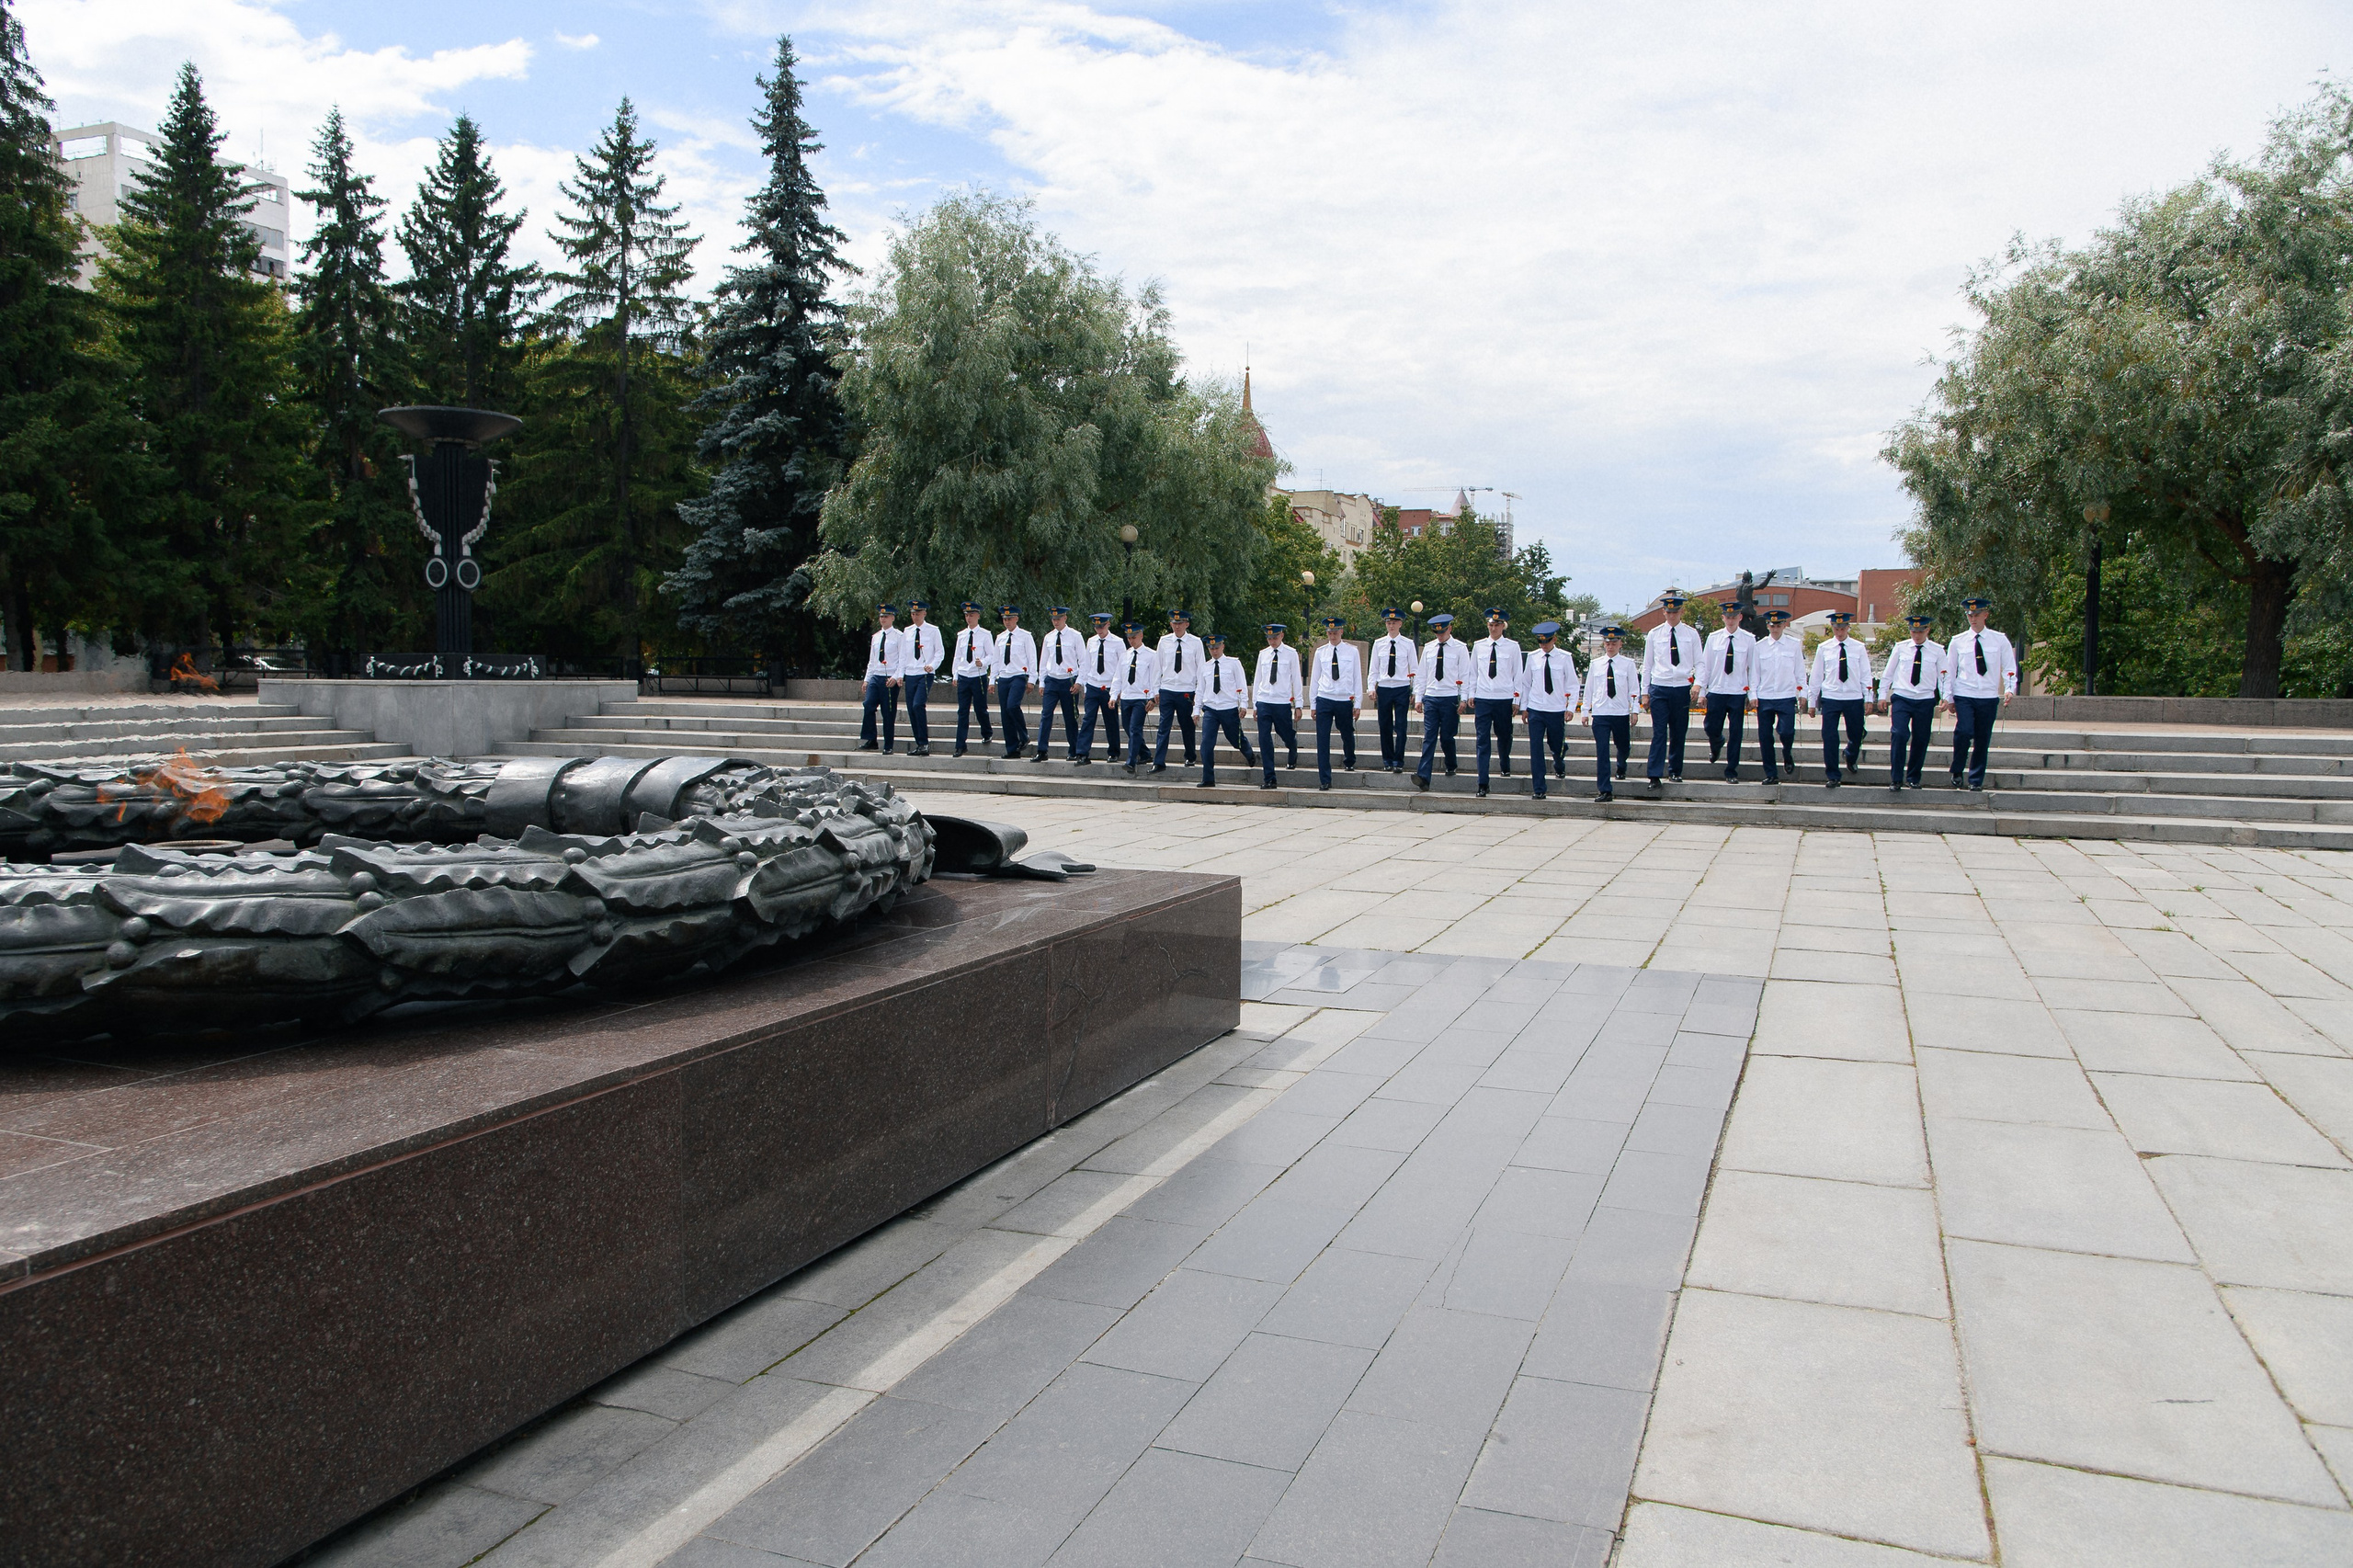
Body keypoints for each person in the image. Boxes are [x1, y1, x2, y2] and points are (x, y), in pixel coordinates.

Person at [1943, 595, 2018, 790]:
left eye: (1976, 614)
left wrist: (2010, 688)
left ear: (1985, 614)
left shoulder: (1999, 640)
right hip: (1965, 693)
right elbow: (1950, 670)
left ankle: (1976, 779)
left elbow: (2009, 667)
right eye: (1969, 615)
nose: (1973, 618)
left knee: (1982, 738)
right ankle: (1958, 769)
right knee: (1964, 731)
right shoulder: (1958, 641)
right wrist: (1948, 696)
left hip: (1988, 695)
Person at [1877, 612, 1946, 791]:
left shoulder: (1937, 650)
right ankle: (1896, 778)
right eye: (1913, 631)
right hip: (1902, 697)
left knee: (1921, 739)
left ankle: (1914, 777)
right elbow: (1888, 673)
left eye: (1920, 632)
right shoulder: (1901, 648)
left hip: (1924, 698)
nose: (1916, 635)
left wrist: (1947, 696)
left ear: (1927, 630)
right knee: (1899, 734)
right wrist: (1882, 694)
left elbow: (1943, 677)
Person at [1642, 592, 1702, 788]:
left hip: (1681, 687)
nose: (1672, 615)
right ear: (1663, 612)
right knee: (1659, 732)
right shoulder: (1654, 634)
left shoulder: (1691, 634)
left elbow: (1700, 662)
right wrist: (1645, 692)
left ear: (1681, 611)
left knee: (1678, 732)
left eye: (1675, 612)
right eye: (1668, 612)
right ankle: (1654, 775)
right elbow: (1647, 665)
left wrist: (1698, 683)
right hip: (1660, 687)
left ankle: (1675, 770)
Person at [1807, 609, 1873, 788]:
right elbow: (1816, 676)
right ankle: (1833, 775)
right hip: (1831, 696)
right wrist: (1812, 702)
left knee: (1857, 733)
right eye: (1836, 628)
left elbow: (1866, 674)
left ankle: (1851, 755)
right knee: (1829, 736)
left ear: (1848, 627)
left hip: (1853, 696)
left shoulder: (1858, 648)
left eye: (1843, 628)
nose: (1840, 632)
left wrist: (1869, 698)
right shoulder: (1824, 648)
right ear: (1832, 628)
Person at [1579, 625, 1641, 802]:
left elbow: (1634, 690)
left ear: (1620, 644)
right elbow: (1589, 689)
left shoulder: (1628, 665)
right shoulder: (1596, 664)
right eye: (1607, 643)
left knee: (1623, 746)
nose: (1610, 646)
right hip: (1601, 713)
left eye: (1614, 643)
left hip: (1620, 712)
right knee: (1602, 751)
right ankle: (1605, 789)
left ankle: (1621, 765)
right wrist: (1585, 710)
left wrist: (1634, 710)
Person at [1468, 608, 1523, 798]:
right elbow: (1473, 672)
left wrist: (1517, 699)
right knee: (1482, 740)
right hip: (1484, 697)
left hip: (1504, 697)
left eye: (1497, 625)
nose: (1493, 628)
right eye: (1491, 625)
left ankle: (1504, 762)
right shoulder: (1479, 646)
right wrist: (1471, 693)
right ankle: (1483, 782)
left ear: (1503, 627)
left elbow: (1518, 675)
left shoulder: (1512, 647)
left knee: (1504, 735)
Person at [1518, 620, 1574, 801]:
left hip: (1556, 708)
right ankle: (1539, 787)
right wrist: (1524, 707)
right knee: (1536, 749)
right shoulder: (1533, 657)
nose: (1543, 645)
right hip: (1536, 708)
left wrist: (1571, 707)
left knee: (1556, 744)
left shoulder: (1565, 658)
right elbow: (1526, 684)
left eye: (1547, 641)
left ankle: (1559, 760)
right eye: (1540, 642)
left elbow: (1572, 684)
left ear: (1554, 639)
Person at [1700, 600, 1756, 781]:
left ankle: (1731, 770)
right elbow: (1705, 667)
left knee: (1736, 733)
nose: (1730, 620)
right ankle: (1716, 743)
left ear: (1739, 617)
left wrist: (1752, 694)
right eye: (1727, 617)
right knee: (1710, 726)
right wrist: (1702, 691)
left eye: (1734, 617)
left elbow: (1753, 668)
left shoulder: (1748, 639)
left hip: (1737, 692)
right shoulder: (1713, 637)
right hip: (1717, 690)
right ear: (1723, 617)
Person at [1412, 612, 1466, 791]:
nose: (1439, 635)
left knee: (1447, 737)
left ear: (1449, 629)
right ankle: (1424, 776)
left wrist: (1463, 698)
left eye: (1442, 632)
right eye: (1437, 633)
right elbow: (1422, 674)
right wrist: (1419, 697)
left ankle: (1451, 763)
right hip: (1432, 696)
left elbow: (1466, 675)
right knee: (1429, 737)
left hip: (1450, 696)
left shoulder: (1460, 648)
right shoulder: (1429, 648)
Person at [1309, 617, 1362, 790]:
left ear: (1341, 632)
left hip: (1344, 698)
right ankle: (1325, 778)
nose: (1332, 635)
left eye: (1335, 632)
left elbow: (1357, 677)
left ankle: (1349, 759)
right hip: (1325, 697)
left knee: (1346, 732)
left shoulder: (1352, 651)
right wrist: (1313, 704)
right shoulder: (1321, 652)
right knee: (1322, 739)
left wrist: (1358, 702)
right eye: (1329, 632)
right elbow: (1315, 679)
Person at [1752, 608, 1803, 782]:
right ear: (1767, 626)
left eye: (1778, 625)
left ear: (1784, 625)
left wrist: (1803, 692)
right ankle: (1771, 774)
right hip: (1765, 696)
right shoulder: (1759, 647)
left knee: (1787, 731)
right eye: (1772, 625)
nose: (1775, 628)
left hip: (1786, 695)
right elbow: (1755, 674)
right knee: (1765, 738)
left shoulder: (1794, 644)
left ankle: (1787, 752)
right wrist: (1752, 694)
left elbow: (1800, 671)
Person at [1197, 631, 1255, 786]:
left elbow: (1241, 685)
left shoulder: (1233, 663)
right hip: (1210, 709)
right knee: (1206, 744)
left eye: (1216, 647)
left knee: (1235, 739)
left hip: (1228, 708)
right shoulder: (1205, 667)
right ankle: (1208, 778)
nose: (1214, 651)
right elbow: (1200, 690)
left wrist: (1243, 704)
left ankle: (1249, 753)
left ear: (1223, 646)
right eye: (1211, 648)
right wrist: (1196, 710)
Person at [1152, 609, 1206, 771]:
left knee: (1187, 726)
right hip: (1167, 688)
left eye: (1180, 623)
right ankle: (1159, 761)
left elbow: (1201, 669)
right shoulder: (1164, 641)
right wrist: (1155, 689)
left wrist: (1199, 692)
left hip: (1186, 690)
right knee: (1163, 726)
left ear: (1187, 624)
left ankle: (1190, 756)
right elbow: (1157, 666)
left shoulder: (1196, 643)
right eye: (1174, 623)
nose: (1177, 626)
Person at [1367, 608, 1419, 772]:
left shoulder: (1408, 644)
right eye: (1389, 623)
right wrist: (1371, 687)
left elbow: (1415, 669)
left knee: (1401, 726)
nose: (1391, 626)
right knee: (1385, 725)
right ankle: (1388, 759)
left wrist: (1415, 691)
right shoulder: (1379, 643)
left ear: (1400, 624)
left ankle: (1399, 760)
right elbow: (1373, 668)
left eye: (1394, 622)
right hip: (1384, 688)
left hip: (1401, 687)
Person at [1253, 623, 1303, 788]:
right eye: (1269, 638)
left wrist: (1299, 704)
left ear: (1281, 635)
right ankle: (1269, 777)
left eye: (1275, 637)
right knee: (1264, 739)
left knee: (1285, 733)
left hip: (1281, 702)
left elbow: (1296, 679)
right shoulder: (1263, 654)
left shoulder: (1290, 654)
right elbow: (1257, 679)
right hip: (1264, 700)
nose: (1272, 641)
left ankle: (1292, 743)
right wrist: (1255, 705)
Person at [1033, 606, 1082, 760]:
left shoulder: (1075, 636)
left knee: (1070, 717)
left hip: (1069, 680)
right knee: (1046, 715)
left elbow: (1084, 661)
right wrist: (1042, 682)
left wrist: (1079, 682)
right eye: (1053, 619)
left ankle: (1073, 750)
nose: (1056, 621)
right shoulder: (1049, 637)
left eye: (1058, 618)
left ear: (1065, 618)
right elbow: (1043, 661)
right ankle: (1042, 750)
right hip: (1052, 680)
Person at [1074, 610, 1122, 765]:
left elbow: (1122, 668)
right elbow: (1087, 665)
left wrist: (1117, 691)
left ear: (1108, 625)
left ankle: (1114, 751)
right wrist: (1084, 686)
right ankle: (1082, 752)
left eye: (1101, 626)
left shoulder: (1118, 642)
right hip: (1093, 685)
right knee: (1088, 719)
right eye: (1096, 627)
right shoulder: (1092, 641)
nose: (1099, 630)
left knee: (1111, 721)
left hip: (1109, 687)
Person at [949, 601, 996, 756]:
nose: (968, 618)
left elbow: (992, 655)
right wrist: (955, 674)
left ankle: (986, 731)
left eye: (971, 615)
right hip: (964, 675)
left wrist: (982, 662)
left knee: (980, 708)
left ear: (978, 616)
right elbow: (957, 656)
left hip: (978, 676)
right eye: (966, 615)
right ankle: (960, 745)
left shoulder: (985, 634)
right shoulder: (962, 635)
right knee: (962, 711)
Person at [1113, 621, 1160, 774]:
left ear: (1141, 635)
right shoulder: (1125, 656)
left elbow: (1155, 678)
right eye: (1129, 638)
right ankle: (1145, 753)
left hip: (1141, 697)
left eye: (1134, 637)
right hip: (1127, 696)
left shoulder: (1151, 655)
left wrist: (1153, 698)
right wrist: (1113, 695)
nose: (1131, 640)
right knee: (1128, 728)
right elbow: (1118, 677)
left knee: (1135, 728)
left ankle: (1131, 761)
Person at [993, 606, 1037, 760]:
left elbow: (1032, 658)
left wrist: (1032, 679)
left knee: (1012, 706)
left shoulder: (1025, 636)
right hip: (1004, 677)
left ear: (1016, 618)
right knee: (1005, 713)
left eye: (1010, 619)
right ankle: (1012, 748)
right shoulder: (1000, 637)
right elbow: (996, 660)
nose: (1007, 622)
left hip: (1018, 675)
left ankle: (1023, 736)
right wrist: (992, 679)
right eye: (1005, 619)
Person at [858, 604, 904, 753]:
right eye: (881, 616)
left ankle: (888, 745)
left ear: (892, 618)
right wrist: (867, 679)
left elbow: (902, 660)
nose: (883, 619)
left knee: (888, 712)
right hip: (876, 676)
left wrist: (896, 677)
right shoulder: (876, 637)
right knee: (868, 705)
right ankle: (871, 739)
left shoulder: (899, 636)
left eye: (886, 616)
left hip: (889, 677)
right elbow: (872, 660)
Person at [899, 600, 940, 756]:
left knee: (918, 705)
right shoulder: (907, 631)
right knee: (911, 709)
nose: (915, 616)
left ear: (924, 613)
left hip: (924, 673)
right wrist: (899, 675)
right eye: (913, 614)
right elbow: (903, 655)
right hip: (910, 674)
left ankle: (924, 743)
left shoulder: (933, 631)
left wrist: (933, 665)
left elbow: (939, 652)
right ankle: (919, 743)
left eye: (918, 613)